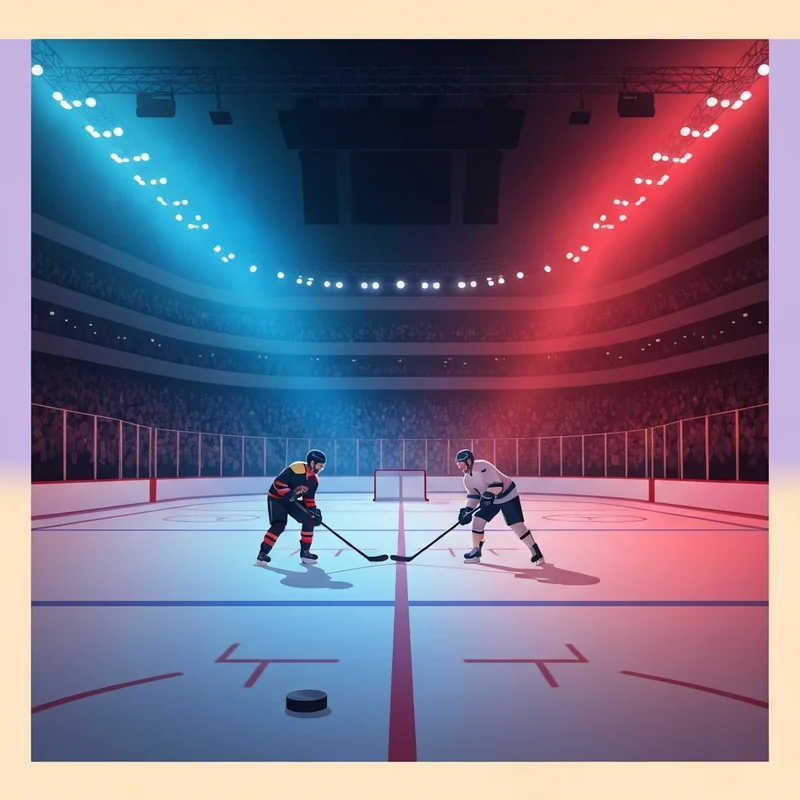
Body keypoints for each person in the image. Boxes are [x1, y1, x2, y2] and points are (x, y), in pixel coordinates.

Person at [455, 448, 544, 565]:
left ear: (469, 461)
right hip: (491, 499)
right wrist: (467, 510)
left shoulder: (483, 467)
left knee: (517, 525)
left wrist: (487, 496)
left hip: (507, 495)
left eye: (460, 463)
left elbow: (498, 485)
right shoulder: (467, 479)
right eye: (457, 464)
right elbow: (474, 496)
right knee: (478, 520)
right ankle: (476, 552)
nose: (459, 466)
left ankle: (536, 552)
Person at [255, 449, 326, 567]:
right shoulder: (297, 468)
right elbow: (278, 483)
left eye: (322, 467)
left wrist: (314, 511)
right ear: (312, 462)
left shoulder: (314, 480)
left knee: (310, 519)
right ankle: (262, 554)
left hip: (292, 501)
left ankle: (305, 553)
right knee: (279, 524)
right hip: (276, 499)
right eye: (319, 465)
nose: (320, 469)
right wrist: (288, 493)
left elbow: (309, 498)